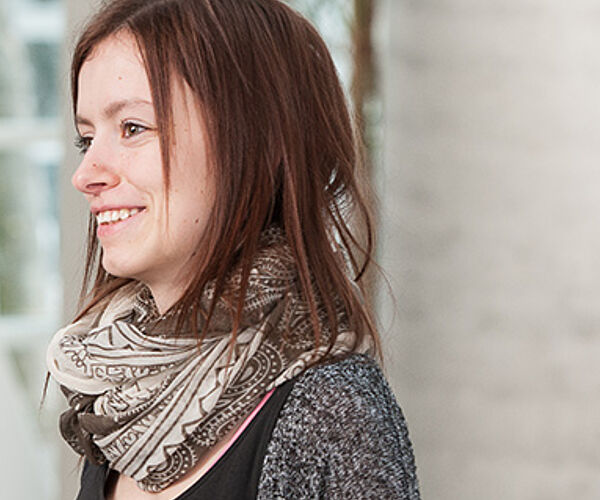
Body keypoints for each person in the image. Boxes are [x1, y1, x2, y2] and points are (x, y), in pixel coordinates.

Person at [46, 0, 420, 498]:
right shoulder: (115, 403)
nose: (86, 174)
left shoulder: (331, 414)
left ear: (249, 140)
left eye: (132, 128)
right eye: (86, 139)